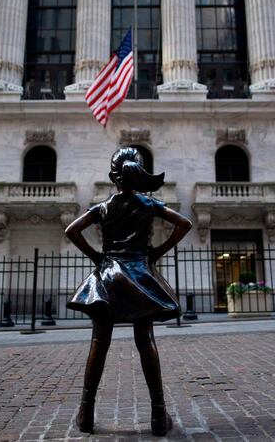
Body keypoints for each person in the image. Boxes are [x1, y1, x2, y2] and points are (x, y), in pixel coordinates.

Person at [65, 147, 192, 436]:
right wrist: (158, 250)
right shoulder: (148, 204)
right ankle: (159, 415)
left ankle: (86, 413)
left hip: (108, 276)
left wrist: (97, 257)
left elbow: (71, 231)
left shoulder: (104, 207)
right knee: (145, 341)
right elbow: (184, 223)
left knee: (99, 342)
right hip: (139, 275)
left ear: (113, 176)